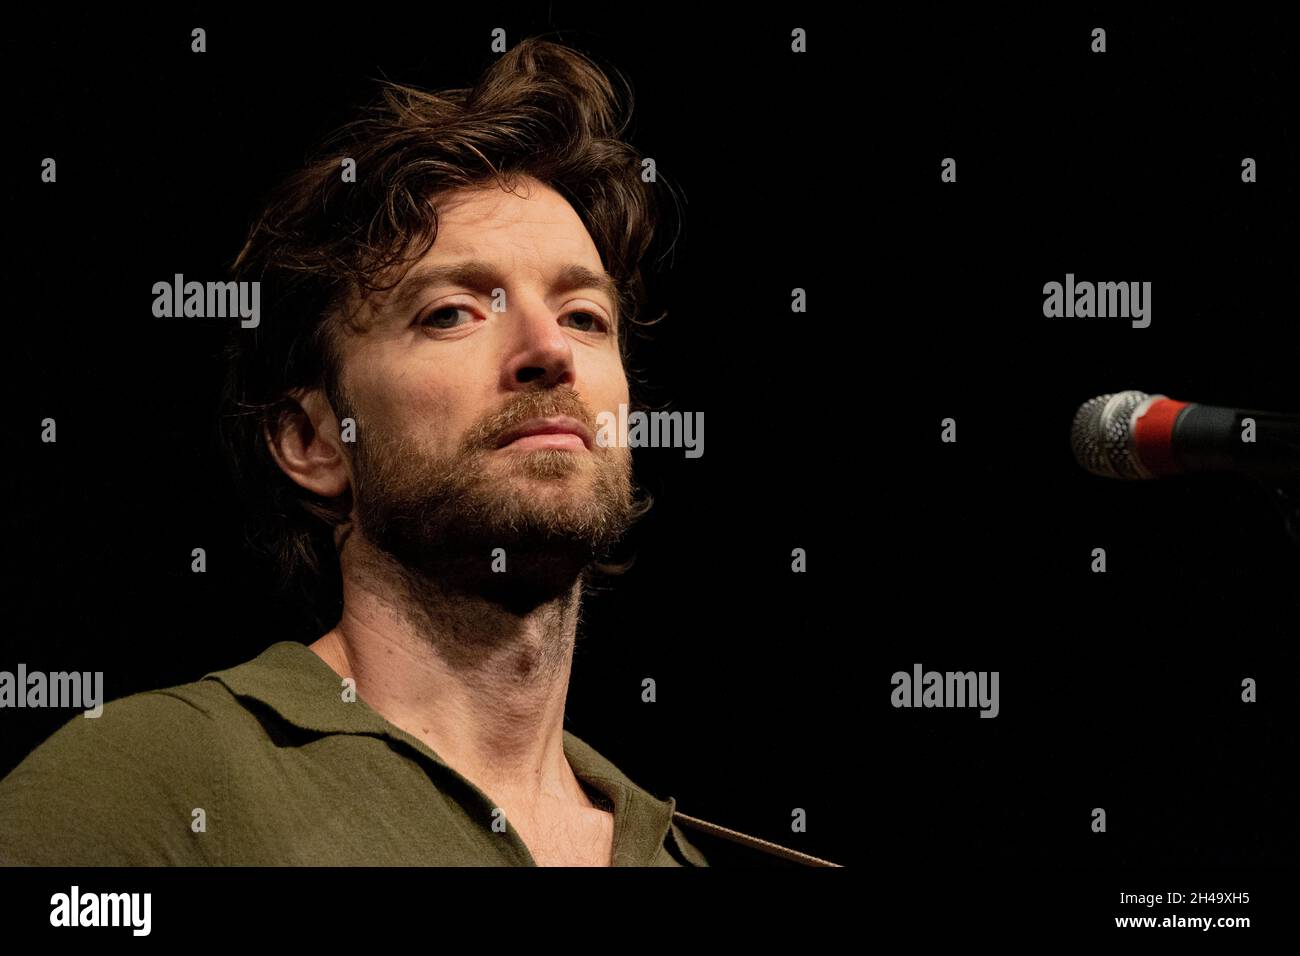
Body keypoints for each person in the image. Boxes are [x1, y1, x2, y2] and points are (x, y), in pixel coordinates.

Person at [0, 37, 832, 868]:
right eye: (451, 313)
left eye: (584, 315)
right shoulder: (142, 787)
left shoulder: (693, 858)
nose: (550, 351)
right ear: (314, 441)